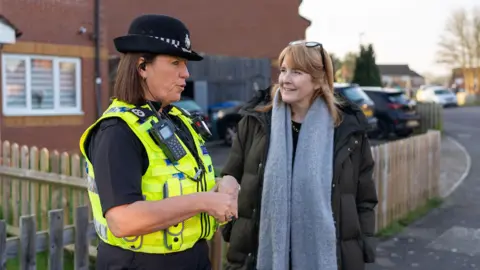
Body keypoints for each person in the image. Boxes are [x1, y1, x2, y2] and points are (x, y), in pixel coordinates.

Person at [78, 14, 239, 270]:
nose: (185, 73)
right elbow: (122, 221)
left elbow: (179, 181)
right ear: (142, 67)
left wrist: (223, 184)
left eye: (185, 63)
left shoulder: (177, 119)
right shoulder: (117, 131)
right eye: (175, 62)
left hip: (194, 257)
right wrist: (205, 201)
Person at [219, 41, 378, 270]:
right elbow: (232, 176)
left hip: (331, 257)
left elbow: (365, 199)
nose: (285, 79)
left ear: (319, 80)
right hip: (257, 256)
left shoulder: (347, 132)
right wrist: (230, 218)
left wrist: (361, 248)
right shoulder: (255, 124)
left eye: (297, 72)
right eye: (283, 70)